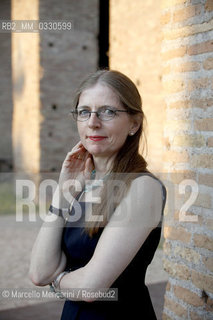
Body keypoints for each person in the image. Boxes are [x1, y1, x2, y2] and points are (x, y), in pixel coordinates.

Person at [29, 69, 167, 319]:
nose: (93, 122)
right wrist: (63, 194)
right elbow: (39, 272)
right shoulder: (82, 186)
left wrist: (57, 280)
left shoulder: (143, 188)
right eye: (84, 112)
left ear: (134, 123)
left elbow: (91, 287)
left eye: (108, 111)